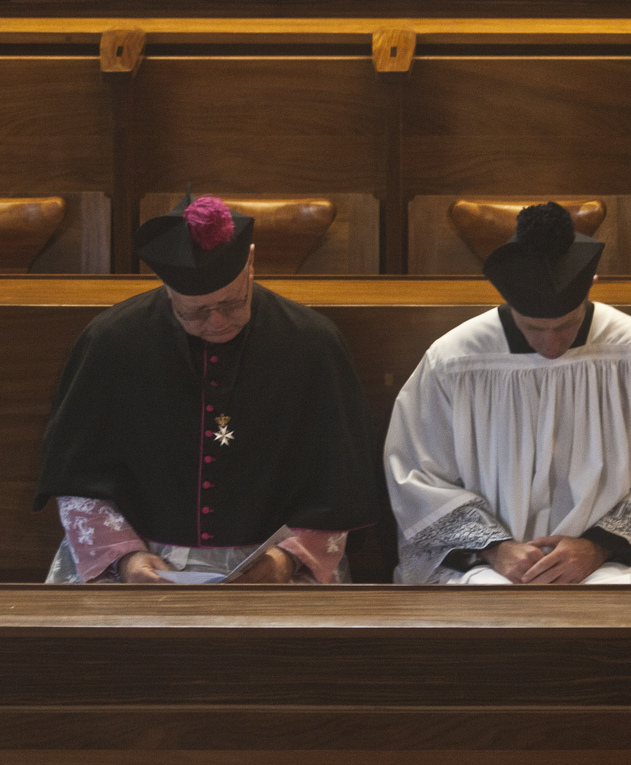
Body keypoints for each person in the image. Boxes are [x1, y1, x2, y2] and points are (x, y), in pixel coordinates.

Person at [35, 191, 379, 583]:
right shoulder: (110, 341)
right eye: (195, 312)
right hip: (136, 558)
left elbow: (340, 481)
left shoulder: (313, 343)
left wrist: (284, 561)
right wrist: (126, 560)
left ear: (250, 262)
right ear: (167, 289)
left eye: (232, 303)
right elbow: (77, 477)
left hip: (279, 563)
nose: (217, 322)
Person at [385, 202, 631, 584]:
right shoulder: (455, 360)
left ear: (591, 286)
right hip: (488, 563)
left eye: (566, 325)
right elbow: (418, 475)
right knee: (485, 599)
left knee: (614, 593)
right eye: (534, 329)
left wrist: (597, 548)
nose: (551, 345)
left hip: (607, 562)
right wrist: (494, 548)